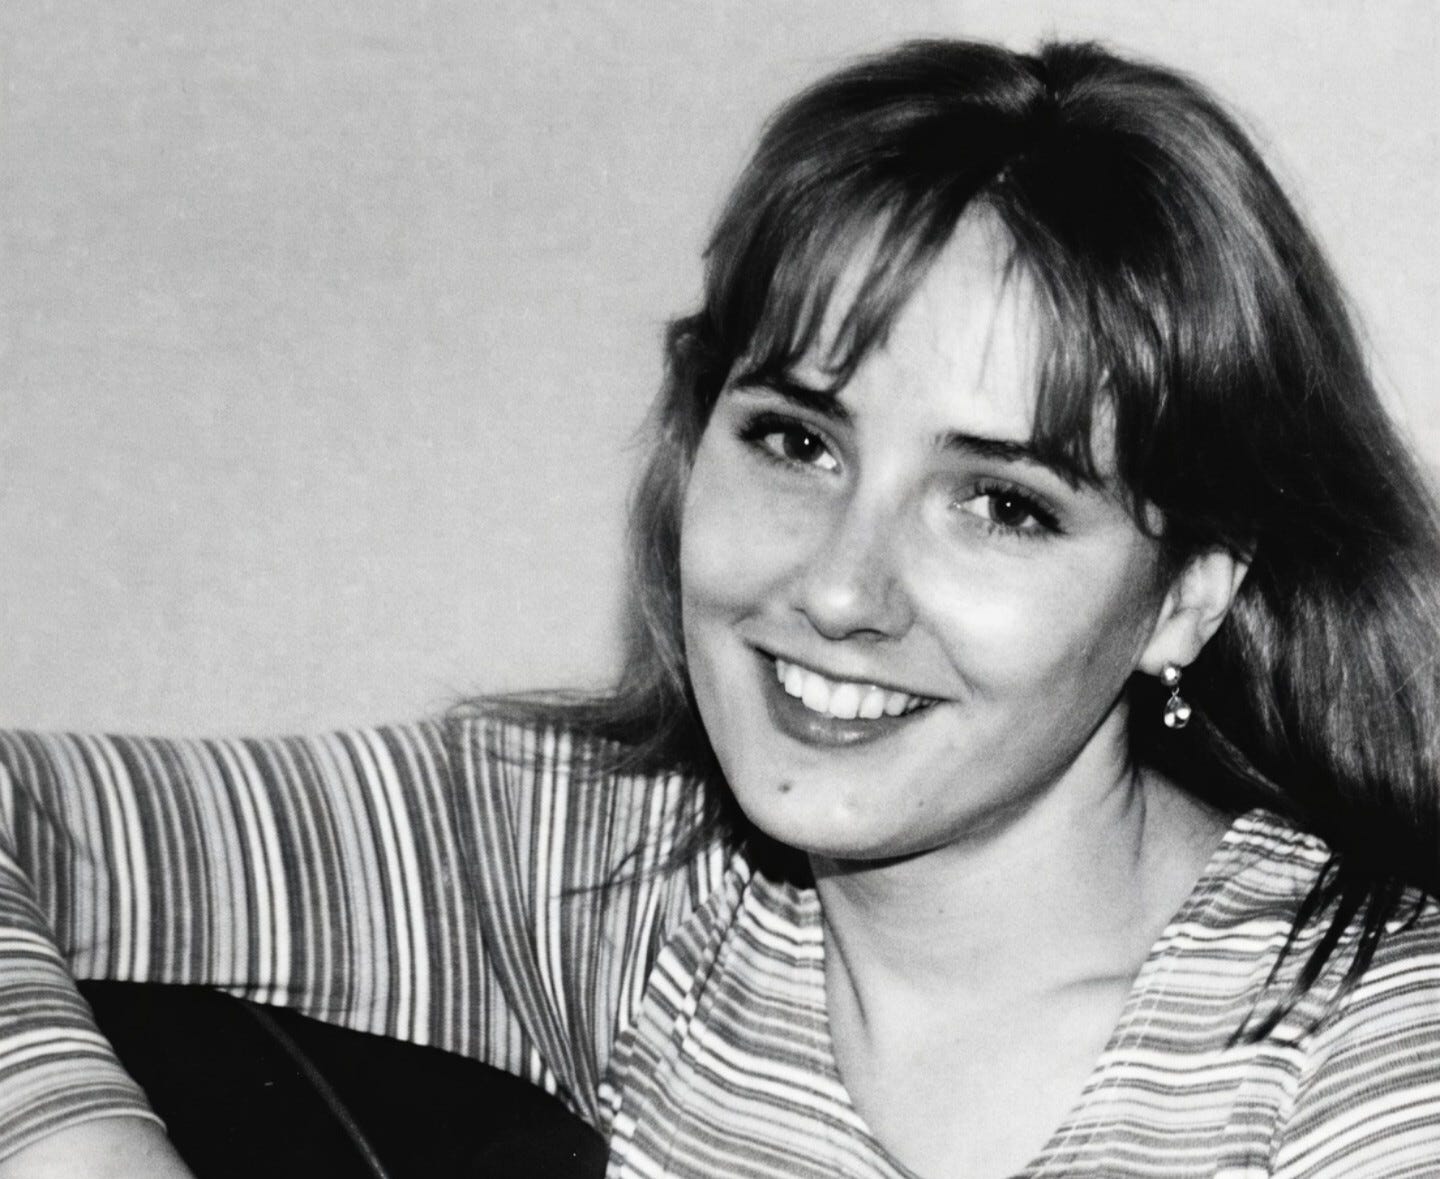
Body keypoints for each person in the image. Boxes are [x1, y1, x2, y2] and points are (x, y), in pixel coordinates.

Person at [1, 35, 1439, 1179]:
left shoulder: (1363, 1049)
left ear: (1188, 596)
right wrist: (83, 1145)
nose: (839, 586)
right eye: (798, 442)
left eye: (1002, 505)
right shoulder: (626, 877)